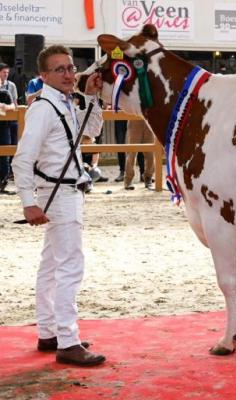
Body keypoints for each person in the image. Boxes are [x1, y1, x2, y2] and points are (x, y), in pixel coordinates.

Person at [11, 44, 106, 366]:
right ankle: (68, 341)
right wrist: (28, 203)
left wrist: (92, 98)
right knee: (69, 268)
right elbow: (22, 159)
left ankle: (50, 332)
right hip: (59, 194)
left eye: (70, 68)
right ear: (44, 75)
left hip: (65, 192)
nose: (69, 74)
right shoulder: (42, 109)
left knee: (51, 266)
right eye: (60, 69)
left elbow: (90, 132)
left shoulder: (64, 103)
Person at [124, 119, 155, 190]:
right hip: (134, 119)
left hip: (149, 119)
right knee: (131, 152)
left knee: (150, 152)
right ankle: (128, 180)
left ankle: (148, 178)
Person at [0, 86, 16, 194]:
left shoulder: (5, 93)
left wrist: (4, 106)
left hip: (4, 128)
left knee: (5, 157)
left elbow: (13, 106)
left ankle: (3, 182)